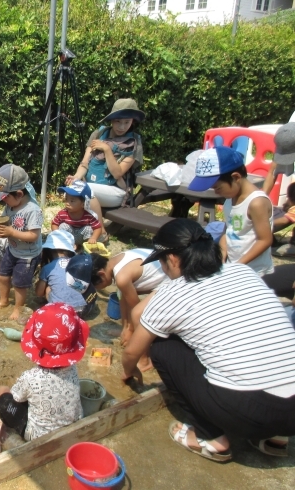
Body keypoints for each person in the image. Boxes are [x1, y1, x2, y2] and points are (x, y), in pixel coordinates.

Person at [122, 219, 295, 462]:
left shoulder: (174, 292)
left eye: (161, 263)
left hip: (251, 411)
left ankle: (210, 438)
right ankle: (275, 439)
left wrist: (128, 372)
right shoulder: (242, 270)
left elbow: (132, 352)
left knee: (161, 346)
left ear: (171, 259)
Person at [0, 303, 87, 446]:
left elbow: (16, 398)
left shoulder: (30, 378)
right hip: (72, 427)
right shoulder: (73, 368)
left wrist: (6, 392)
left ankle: (2, 429)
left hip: (39, 436)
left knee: (3, 395)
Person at [188, 146, 273, 276]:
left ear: (236, 177)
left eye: (218, 188)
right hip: (234, 266)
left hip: (254, 272)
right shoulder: (230, 199)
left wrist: (238, 266)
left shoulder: (256, 203)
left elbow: (265, 240)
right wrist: (221, 256)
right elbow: (228, 231)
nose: (216, 192)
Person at [65, 98, 144, 232]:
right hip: (91, 186)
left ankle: (101, 231)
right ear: (112, 120)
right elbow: (84, 164)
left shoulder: (134, 142)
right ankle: (76, 229)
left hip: (116, 191)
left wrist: (107, 150)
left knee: (86, 190)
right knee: (70, 191)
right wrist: (76, 177)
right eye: (118, 121)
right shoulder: (99, 134)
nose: (122, 126)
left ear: (133, 121)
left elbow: (117, 173)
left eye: (127, 122)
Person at [90, 248, 169, 371]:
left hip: (173, 282)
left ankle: (144, 360)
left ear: (101, 274)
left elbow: (136, 309)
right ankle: (128, 333)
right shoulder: (116, 262)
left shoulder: (122, 277)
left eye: (96, 286)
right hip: (164, 278)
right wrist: (125, 328)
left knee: (138, 316)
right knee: (126, 300)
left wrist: (132, 329)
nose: (97, 289)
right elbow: (123, 298)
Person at [0, 164, 43, 320]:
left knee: (19, 284)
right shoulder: (11, 206)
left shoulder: (32, 210)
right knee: (2, 276)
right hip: (13, 249)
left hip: (27, 255)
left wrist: (11, 232)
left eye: (4, 198)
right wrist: (3, 231)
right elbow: (6, 221)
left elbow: (33, 236)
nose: (3, 202)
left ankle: (18, 308)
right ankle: (4, 300)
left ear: (18, 194)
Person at [35, 230, 88, 315]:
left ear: (49, 250)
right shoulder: (78, 263)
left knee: (48, 287)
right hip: (82, 309)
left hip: (60, 311)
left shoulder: (48, 267)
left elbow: (38, 293)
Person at [263, 123, 295, 257]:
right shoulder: (285, 141)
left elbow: (288, 219)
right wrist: (260, 199)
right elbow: (272, 172)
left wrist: (264, 224)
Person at [52, 181, 103, 246]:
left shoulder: (88, 216)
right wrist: (57, 233)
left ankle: (86, 246)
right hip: (68, 238)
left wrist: (94, 238)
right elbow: (54, 224)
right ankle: (67, 245)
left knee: (89, 229)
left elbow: (98, 228)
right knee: (63, 226)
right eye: (66, 199)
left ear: (83, 204)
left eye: (72, 201)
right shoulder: (63, 213)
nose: (67, 203)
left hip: (82, 238)